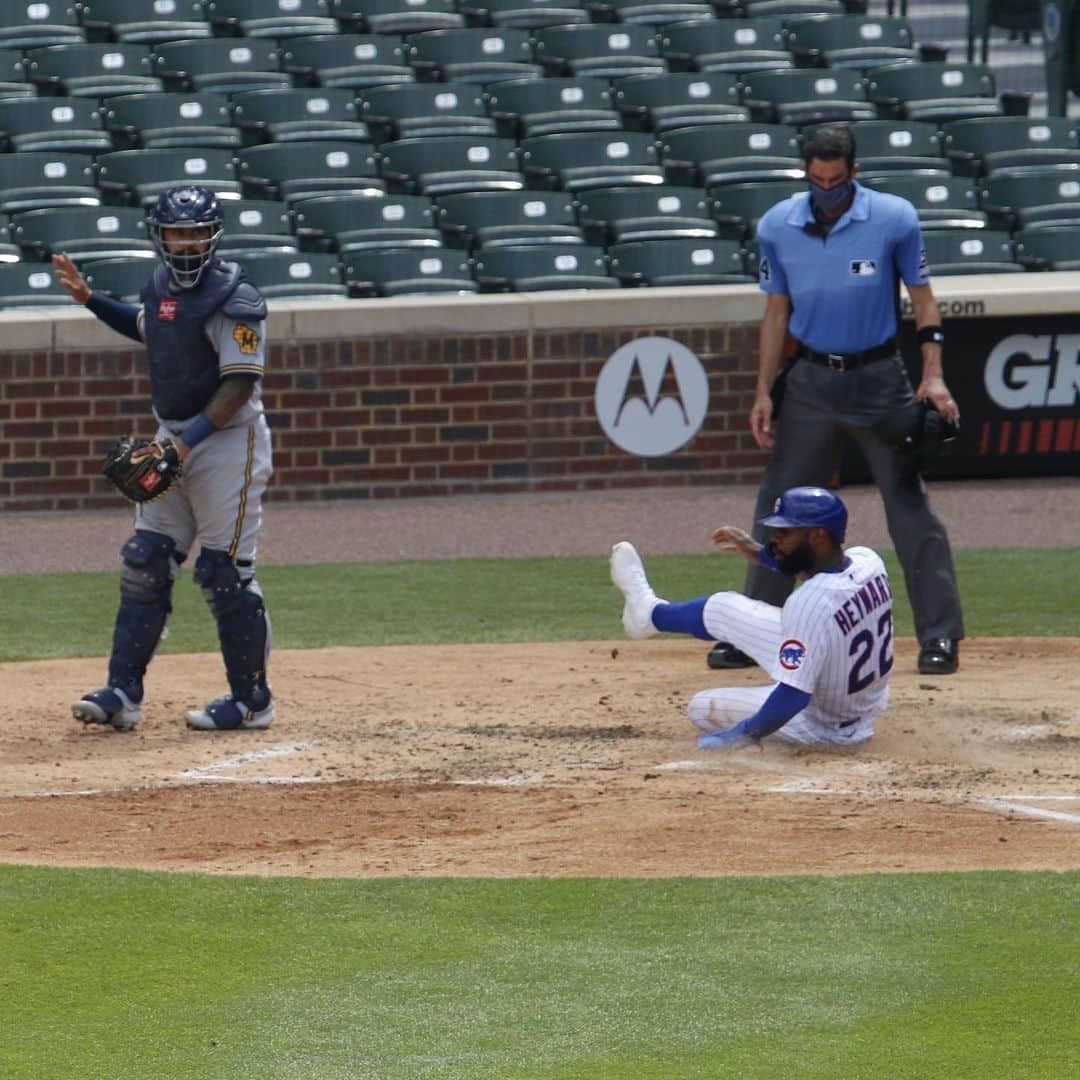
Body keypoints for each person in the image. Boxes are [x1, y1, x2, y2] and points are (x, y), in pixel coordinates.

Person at [708, 125, 963, 678]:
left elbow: (924, 303)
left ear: (853, 172)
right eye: (817, 180)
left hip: (879, 379)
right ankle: (755, 629)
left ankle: (940, 636)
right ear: (806, 173)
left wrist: (934, 376)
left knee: (908, 509)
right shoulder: (778, 225)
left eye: (836, 179)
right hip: (810, 382)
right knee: (781, 507)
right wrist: (762, 392)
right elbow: (776, 314)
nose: (826, 189)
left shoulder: (894, 218)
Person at [53, 185, 276, 732]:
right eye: (177, 232)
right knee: (146, 559)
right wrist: (89, 299)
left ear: (213, 235)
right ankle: (122, 694)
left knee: (225, 572)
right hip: (171, 436)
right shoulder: (160, 289)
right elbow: (147, 329)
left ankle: (252, 702)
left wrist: (186, 442)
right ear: (161, 236)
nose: (185, 242)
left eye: (196, 231)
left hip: (228, 443)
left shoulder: (235, 297)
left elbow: (239, 384)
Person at [612, 487, 893, 749]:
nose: (775, 540)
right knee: (725, 607)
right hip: (857, 693)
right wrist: (761, 555)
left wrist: (741, 735)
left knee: (700, 707)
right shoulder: (868, 561)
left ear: (818, 536)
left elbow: (793, 697)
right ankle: (647, 613)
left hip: (824, 725)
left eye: (785, 533)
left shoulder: (810, 604)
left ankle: (797, 722)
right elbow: (813, 569)